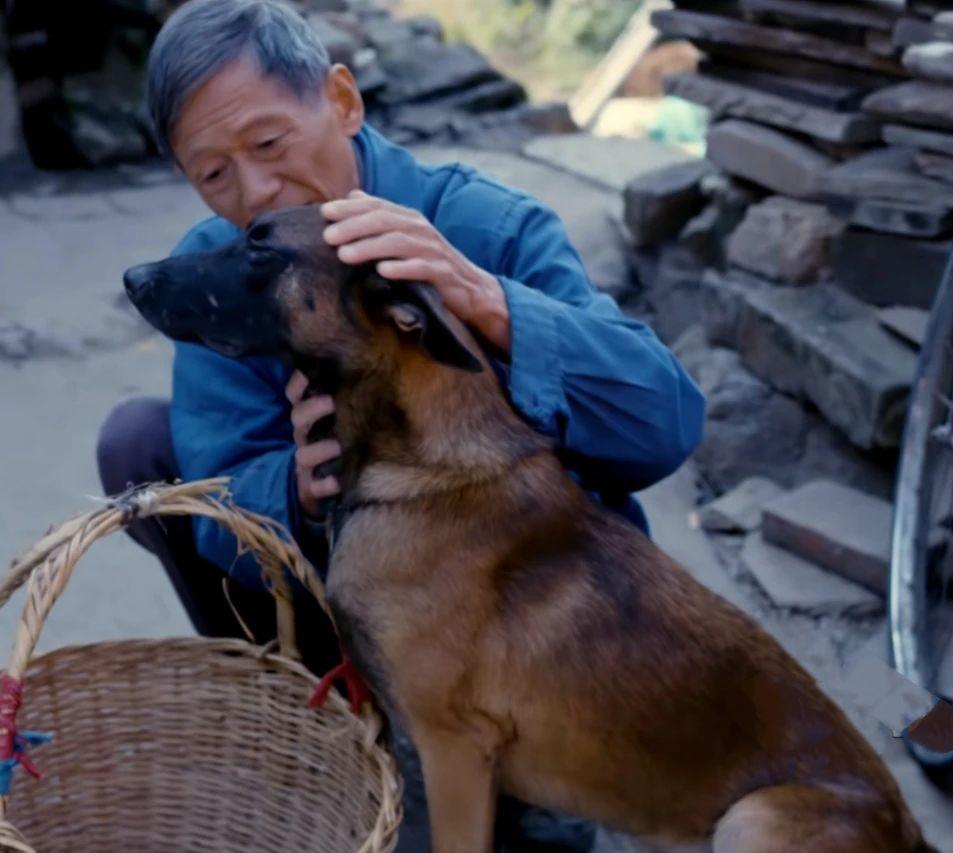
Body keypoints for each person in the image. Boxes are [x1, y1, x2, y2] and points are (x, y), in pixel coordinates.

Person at [96, 1, 706, 849]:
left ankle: (527, 759)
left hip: (517, 621)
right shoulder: (227, 267)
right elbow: (220, 484)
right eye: (214, 174)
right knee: (140, 449)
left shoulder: (481, 228)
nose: (255, 191)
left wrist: (487, 304)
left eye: (269, 146)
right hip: (359, 589)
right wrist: (299, 493)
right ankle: (318, 712)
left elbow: (666, 425)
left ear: (343, 101)